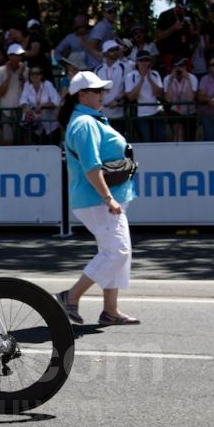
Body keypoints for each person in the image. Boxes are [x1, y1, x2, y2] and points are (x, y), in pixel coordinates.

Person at [56, 71, 139, 326]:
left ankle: (110, 311)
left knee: (114, 251)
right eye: (97, 90)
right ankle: (70, 297)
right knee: (118, 252)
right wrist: (107, 198)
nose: (102, 94)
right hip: (97, 199)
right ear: (82, 95)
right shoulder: (84, 123)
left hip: (104, 197)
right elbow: (91, 166)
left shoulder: (90, 119)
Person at [125, 50, 165, 142]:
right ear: (137, 62)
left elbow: (159, 94)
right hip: (141, 114)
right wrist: (142, 79)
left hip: (157, 112)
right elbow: (131, 97)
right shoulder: (131, 76)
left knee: (159, 140)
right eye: (141, 60)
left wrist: (150, 79)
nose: (144, 62)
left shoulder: (155, 74)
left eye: (147, 60)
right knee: (146, 140)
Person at [0, 43, 26, 145]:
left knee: (22, 139)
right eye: (16, 55)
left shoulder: (26, 70)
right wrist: (9, 76)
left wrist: (20, 75)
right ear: (10, 56)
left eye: (20, 55)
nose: (19, 58)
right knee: (8, 139)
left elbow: (27, 91)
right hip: (6, 111)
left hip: (22, 110)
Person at [19, 66, 60, 144]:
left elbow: (56, 101)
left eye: (37, 73)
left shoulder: (48, 84)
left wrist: (43, 106)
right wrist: (26, 107)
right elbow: (23, 100)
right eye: (32, 74)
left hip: (50, 124)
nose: (35, 76)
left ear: (41, 75)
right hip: (35, 124)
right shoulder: (27, 85)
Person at [163, 56, 199, 142]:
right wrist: (171, 80)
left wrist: (188, 79)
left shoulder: (192, 77)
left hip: (189, 111)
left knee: (190, 138)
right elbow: (168, 99)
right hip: (175, 110)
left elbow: (191, 98)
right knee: (178, 132)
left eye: (182, 65)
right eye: (177, 66)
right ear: (172, 68)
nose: (180, 68)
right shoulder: (167, 79)